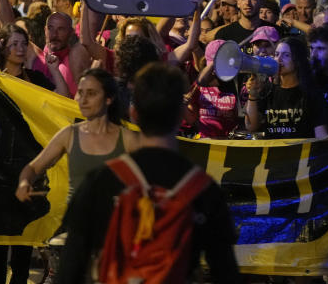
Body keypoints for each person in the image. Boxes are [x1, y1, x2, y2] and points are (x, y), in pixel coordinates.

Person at [56, 63, 239, 283]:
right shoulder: (203, 189)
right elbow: (226, 272)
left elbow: (69, 269)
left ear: (134, 113)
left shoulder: (100, 181)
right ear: (181, 114)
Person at [16, 69, 138, 203]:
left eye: (91, 93)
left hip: (112, 221)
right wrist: (24, 183)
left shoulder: (127, 139)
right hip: (74, 221)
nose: (83, 100)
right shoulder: (69, 134)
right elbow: (33, 168)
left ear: (109, 99)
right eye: (81, 92)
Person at [245, 37, 328, 139]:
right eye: (277, 54)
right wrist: (252, 95)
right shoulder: (267, 90)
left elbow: (321, 135)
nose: (279, 59)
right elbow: (251, 126)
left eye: (286, 55)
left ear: (298, 61)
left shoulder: (311, 93)